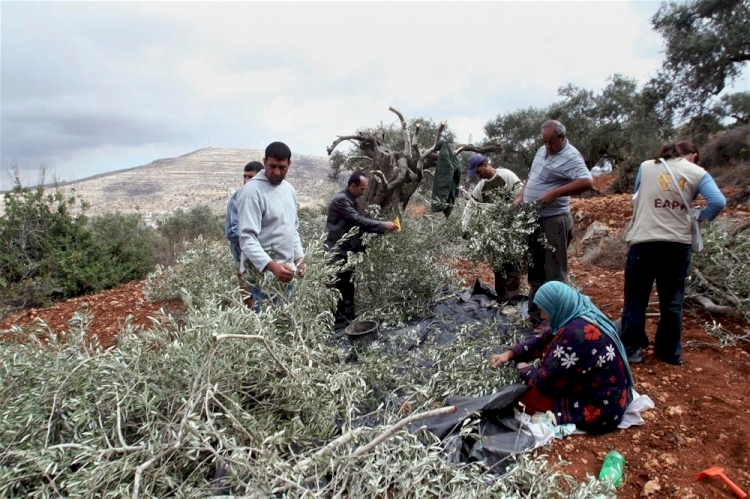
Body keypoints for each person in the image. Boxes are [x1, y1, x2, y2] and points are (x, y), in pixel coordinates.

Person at [621, 142, 726, 365]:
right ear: (692, 156)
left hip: (644, 240)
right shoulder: (698, 172)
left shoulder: (646, 166)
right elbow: (718, 202)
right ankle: (669, 353)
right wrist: (700, 217)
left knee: (635, 298)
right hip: (677, 244)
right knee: (672, 301)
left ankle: (631, 350)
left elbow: (637, 197)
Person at [490, 281, 634, 434]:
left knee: (521, 398)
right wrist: (511, 353)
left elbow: (545, 382)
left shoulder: (574, 333)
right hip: (610, 394)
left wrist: (525, 369)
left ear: (557, 306)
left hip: (602, 408)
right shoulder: (579, 311)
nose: (543, 316)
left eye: (544, 311)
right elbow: (544, 340)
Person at [513, 120, 593, 326]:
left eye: (552, 142)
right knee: (536, 269)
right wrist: (521, 196)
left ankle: (556, 322)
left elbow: (586, 181)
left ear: (562, 137)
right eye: (545, 141)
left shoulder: (571, 156)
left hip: (554, 221)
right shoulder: (541, 151)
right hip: (534, 219)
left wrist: (555, 193)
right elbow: (532, 177)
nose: (548, 146)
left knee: (554, 273)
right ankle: (535, 317)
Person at [237, 142, 306, 308]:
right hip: (262, 276)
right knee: (268, 328)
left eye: (282, 167)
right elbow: (247, 238)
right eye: (272, 166)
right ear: (264, 162)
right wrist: (271, 266)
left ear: (289, 164)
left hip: (286, 272)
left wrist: (299, 259)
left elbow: (292, 229)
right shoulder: (251, 192)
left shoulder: (289, 190)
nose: (276, 172)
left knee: (288, 324)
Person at [325, 171, 396, 329]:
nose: (364, 192)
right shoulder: (342, 201)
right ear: (352, 186)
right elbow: (357, 220)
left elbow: (357, 224)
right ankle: (339, 327)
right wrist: (382, 225)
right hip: (337, 252)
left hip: (346, 253)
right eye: (362, 189)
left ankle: (350, 322)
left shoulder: (350, 199)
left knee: (349, 287)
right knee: (339, 289)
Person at [461, 154, 523, 302]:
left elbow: (521, 196)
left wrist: (508, 213)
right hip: (494, 232)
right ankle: (501, 299)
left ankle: (512, 301)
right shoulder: (481, 186)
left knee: (512, 265)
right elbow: (471, 206)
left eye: (478, 171)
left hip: (511, 229)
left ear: (484, 164)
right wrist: (465, 226)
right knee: (498, 265)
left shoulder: (507, 176)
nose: (478, 175)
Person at [226, 161, 264, 269]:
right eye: (245, 176)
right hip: (244, 261)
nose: (246, 181)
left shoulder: (265, 197)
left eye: (250, 177)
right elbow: (232, 231)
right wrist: (259, 241)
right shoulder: (237, 198)